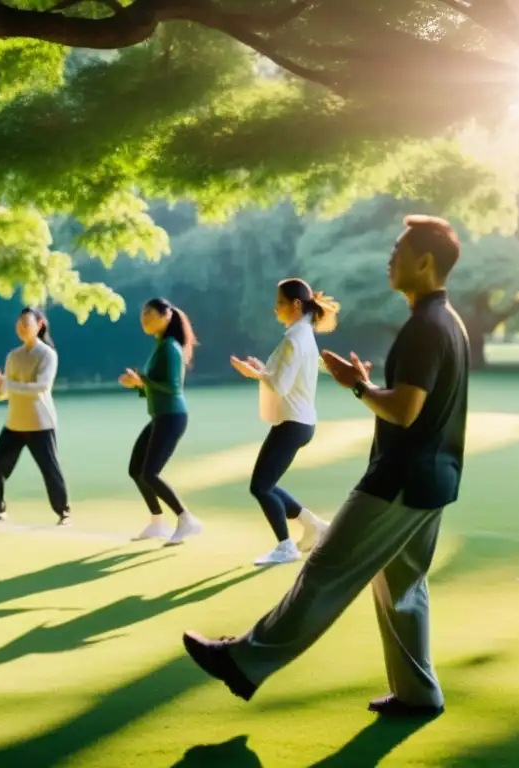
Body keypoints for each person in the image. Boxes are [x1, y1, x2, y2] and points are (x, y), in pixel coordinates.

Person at [182, 215, 470, 718]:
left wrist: (356, 386)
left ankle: (245, 661)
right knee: (402, 587)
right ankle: (419, 694)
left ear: (425, 262)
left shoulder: (425, 327)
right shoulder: (450, 322)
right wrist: (363, 382)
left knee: (325, 570)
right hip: (436, 479)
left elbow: (404, 410)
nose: (390, 256)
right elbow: (415, 402)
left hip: (399, 480)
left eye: (399, 248)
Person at [230, 278, 339, 566]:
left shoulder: (294, 339)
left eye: (279, 303)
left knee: (261, 487)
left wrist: (253, 374)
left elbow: (279, 385)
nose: (275, 308)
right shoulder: (301, 335)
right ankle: (314, 526)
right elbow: (283, 378)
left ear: (296, 304)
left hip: (292, 423)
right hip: (298, 422)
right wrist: (263, 369)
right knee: (267, 484)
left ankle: (285, 545)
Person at [119, 298, 203, 545]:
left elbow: (173, 387)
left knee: (150, 473)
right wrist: (140, 384)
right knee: (136, 469)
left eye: (149, 313)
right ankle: (157, 522)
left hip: (172, 417)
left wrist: (141, 381)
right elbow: (155, 388)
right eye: (142, 313)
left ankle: (186, 519)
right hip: (160, 416)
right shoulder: (160, 345)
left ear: (166, 315)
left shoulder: (169, 347)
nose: (144, 317)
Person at [0, 307, 71, 527]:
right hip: (15, 422)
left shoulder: (47, 354)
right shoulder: (13, 356)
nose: (21, 327)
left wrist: (8, 384)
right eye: (19, 323)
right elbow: (6, 393)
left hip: (40, 422)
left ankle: (64, 512)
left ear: (39, 326)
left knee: (50, 469)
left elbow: (41, 386)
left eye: (26, 323)